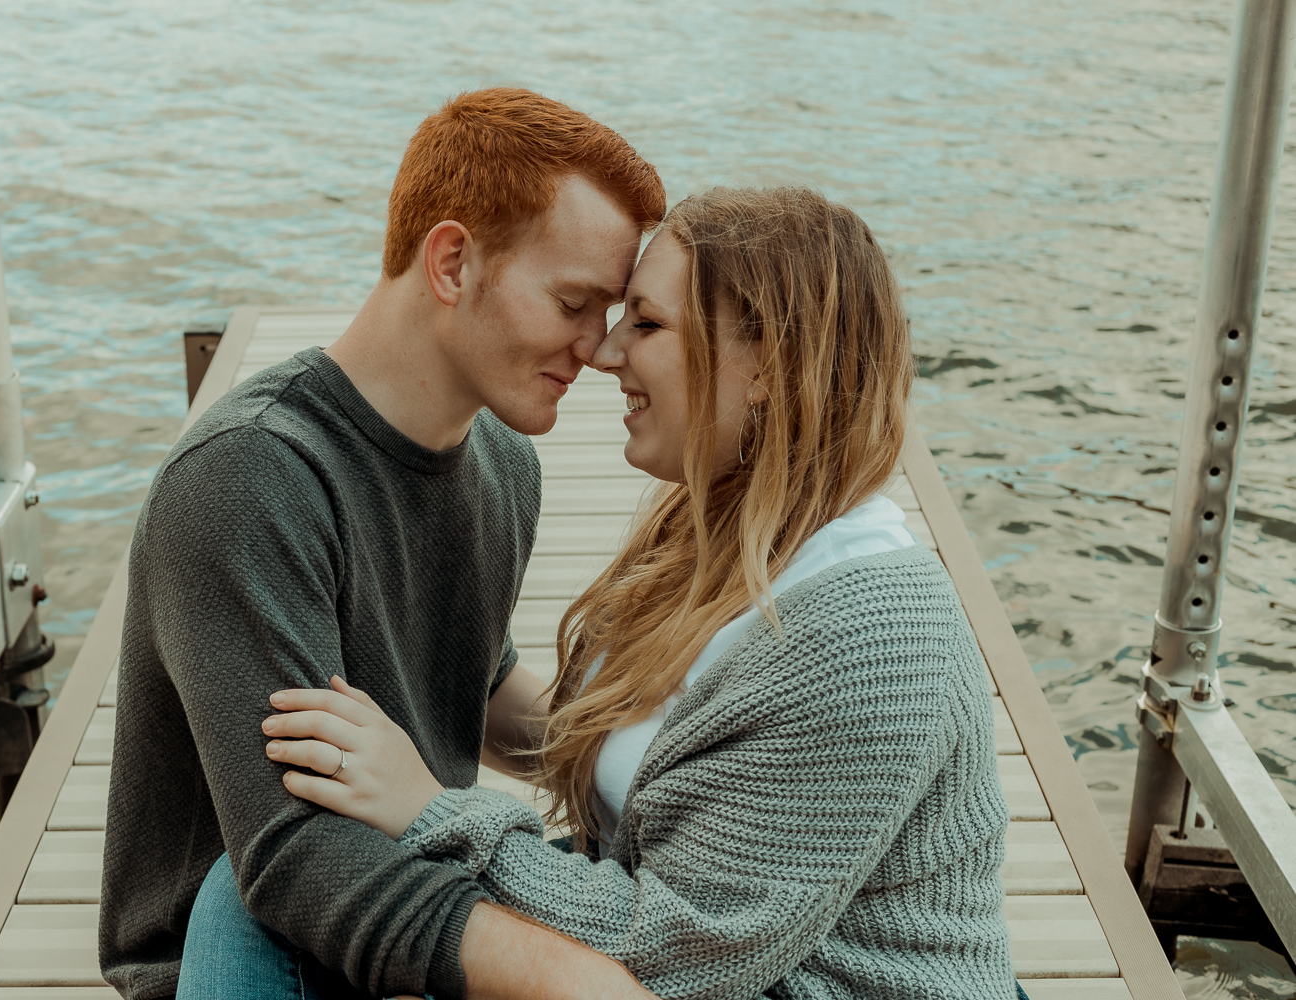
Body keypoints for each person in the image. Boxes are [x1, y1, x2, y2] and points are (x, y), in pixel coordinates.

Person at [244, 187, 1019, 999]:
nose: (604, 351)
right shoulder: (712, 532)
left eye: (645, 324)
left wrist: (427, 810)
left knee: (281, 903)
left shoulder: (869, 638)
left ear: (766, 366)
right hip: (672, 946)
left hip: (717, 970)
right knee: (265, 895)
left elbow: (681, 949)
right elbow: (607, 749)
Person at [99, 88, 666, 1000]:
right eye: (574, 302)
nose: (597, 349)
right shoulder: (248, 477)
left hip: (413, 907)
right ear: (452, 262)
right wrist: (579, 978)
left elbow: (472, 687)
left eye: (609, 312)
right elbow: (293, 856)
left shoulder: (503, 462)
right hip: (259, 952)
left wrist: (655, 757)